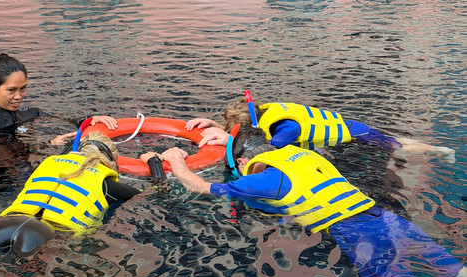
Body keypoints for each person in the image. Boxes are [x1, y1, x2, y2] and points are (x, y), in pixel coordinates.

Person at [160, 126, 466, 277]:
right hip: (386, 218)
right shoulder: (301, 154)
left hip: (360, 235)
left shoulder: (261, 180)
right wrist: (225, 135)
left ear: (242, 163)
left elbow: (197, 185)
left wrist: (175, 158)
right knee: (455, 275)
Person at [0, 130, 142, 257]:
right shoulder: (108, 184)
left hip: (5, 222)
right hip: (46, 234)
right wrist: (153, 161)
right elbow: (149, 195)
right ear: (111, 162)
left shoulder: (49, 163)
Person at [185, 97, 455, 161]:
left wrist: (229, 141)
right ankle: (438, 149)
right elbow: (251, 132)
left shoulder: (286, 127)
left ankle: (442, 151)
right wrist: (216, 126)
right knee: (394, 141)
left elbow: (267, 152)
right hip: (352, 129)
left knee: (398, 148)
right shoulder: (266, 113)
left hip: (356, 136)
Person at [0, 53, 117, 144]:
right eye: (11, 90)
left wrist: (91, 119)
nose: (18, 96)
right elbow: (7, 156)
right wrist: (50, 144)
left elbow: (68, 121)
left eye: (23, 88)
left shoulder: (31, 112)